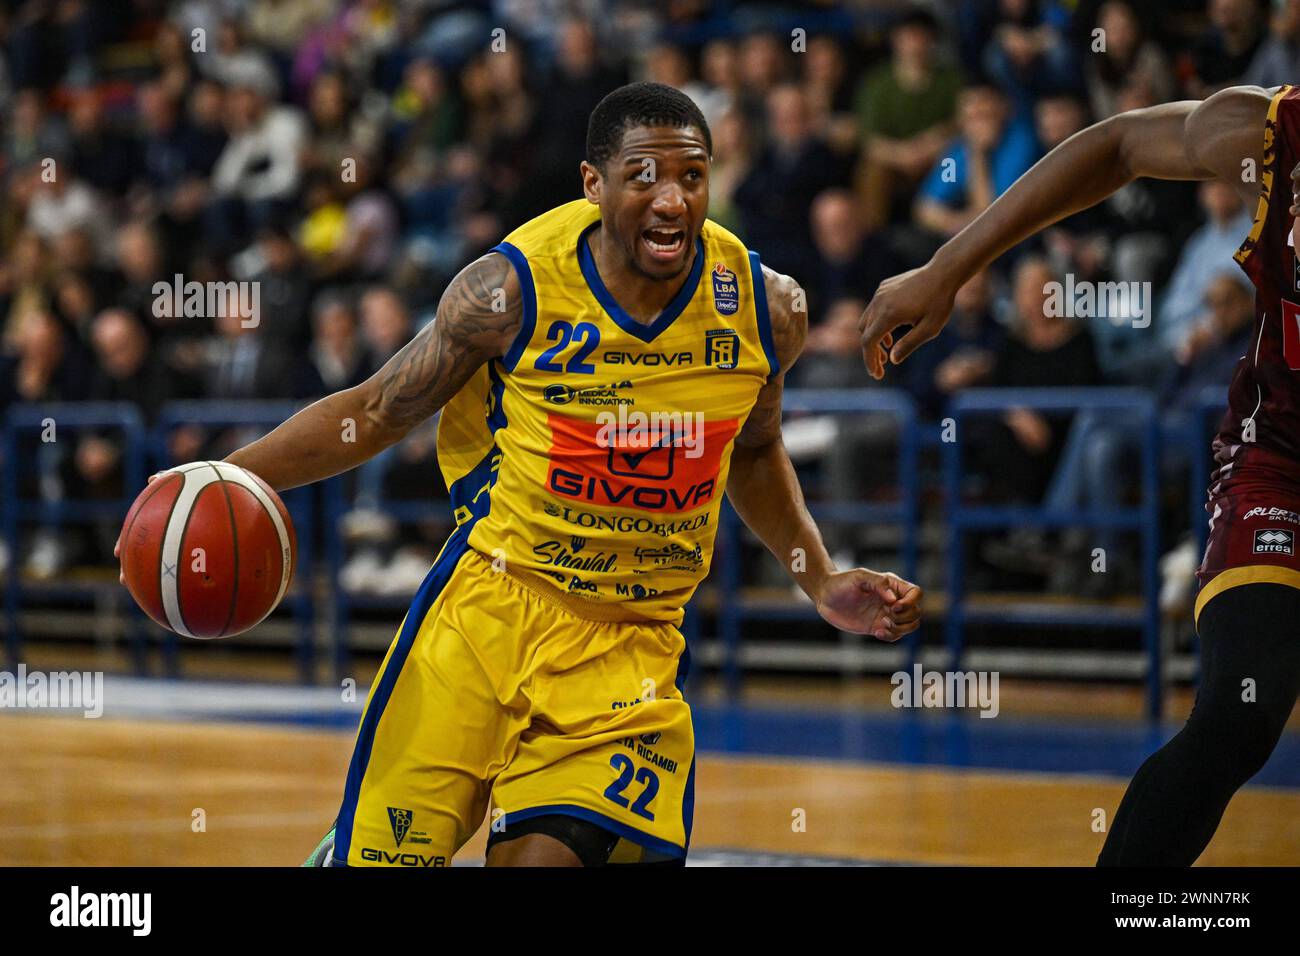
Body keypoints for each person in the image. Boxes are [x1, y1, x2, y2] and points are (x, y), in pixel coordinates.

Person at [118, 82, 921, 867]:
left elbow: (752, 450)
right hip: (486, 616)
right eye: (643, 175)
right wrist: (215, 479)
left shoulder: (764, 307)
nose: (671, 199)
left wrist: (817, 576)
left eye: (691, 174)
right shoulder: (509, 290)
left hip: (630, 651)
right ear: (593, 184)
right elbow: (379, 408)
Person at [860, 83, 1300, 866]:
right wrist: (951, 264)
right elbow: (1119, 144)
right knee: (1240, 714)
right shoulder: (1274, 128)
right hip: (1283, 462)